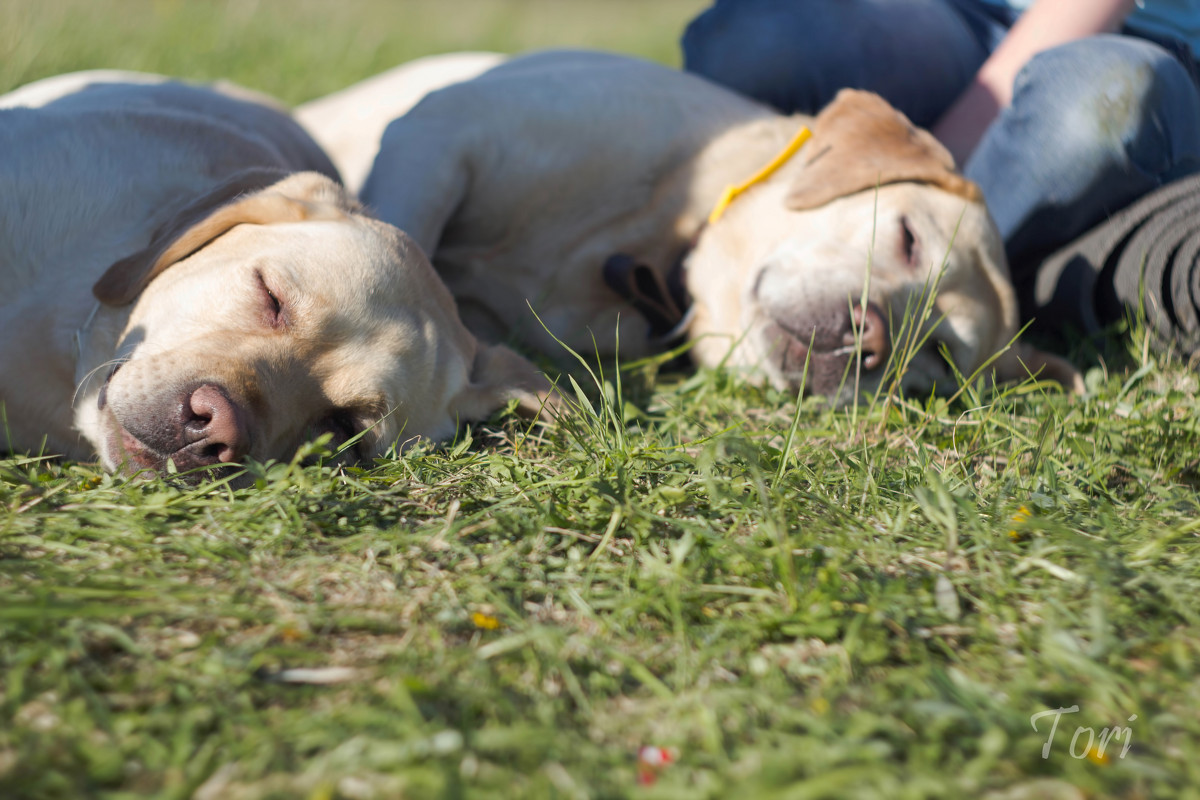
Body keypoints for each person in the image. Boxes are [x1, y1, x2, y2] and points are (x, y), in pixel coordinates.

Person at [682, 0, 1200, 316]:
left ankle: (993, 281)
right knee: (754, 38)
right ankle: (1038, 251)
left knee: (1100, 101)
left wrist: (926, 168)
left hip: (1146, 38)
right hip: (964, 15)